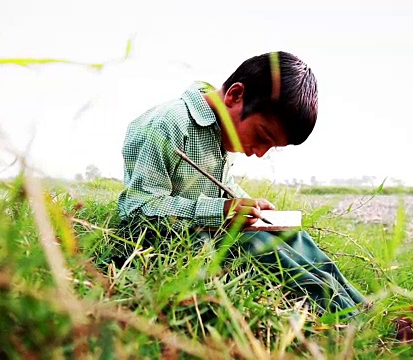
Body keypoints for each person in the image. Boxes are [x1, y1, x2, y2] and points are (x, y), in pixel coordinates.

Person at [115, 51, 364, 318]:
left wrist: (249, 204)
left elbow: (218, 183)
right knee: (257, 243)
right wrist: (220, 211)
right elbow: (135, 208)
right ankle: (352, 322)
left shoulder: (221, 127)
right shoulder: (167, 124)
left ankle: (366, 310)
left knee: (291, 235)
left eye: (270, 147)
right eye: (261, 136)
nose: (258, 153)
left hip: (204, 229)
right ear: (235, 95)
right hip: (167, 242)